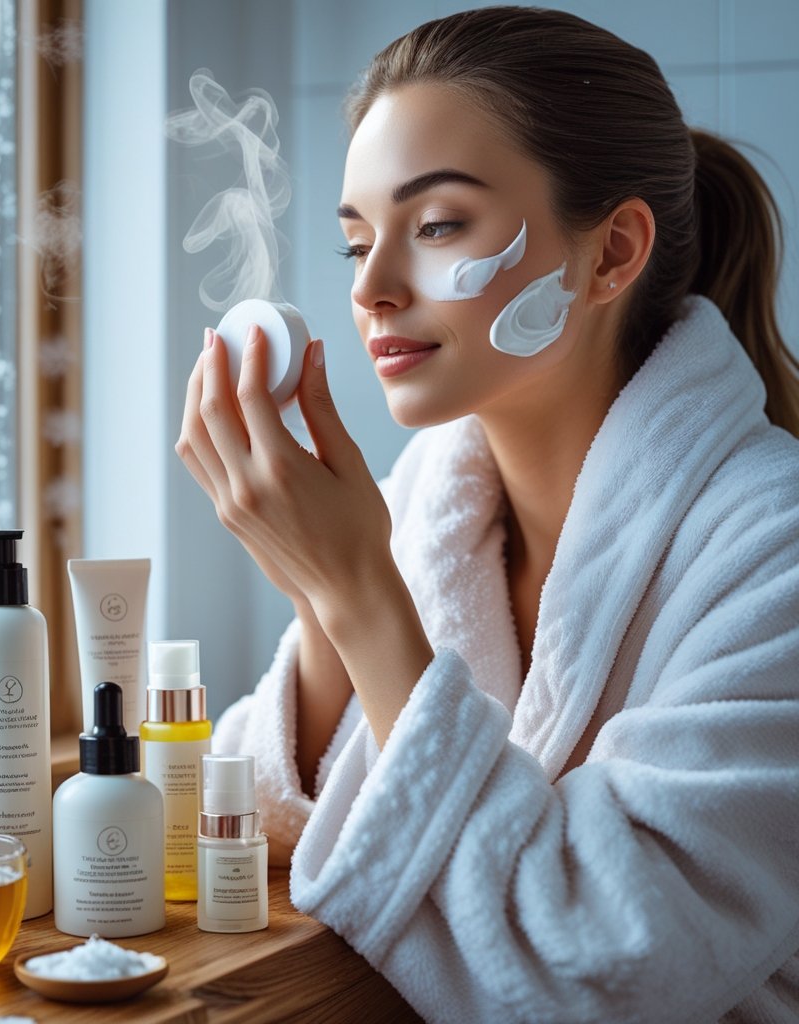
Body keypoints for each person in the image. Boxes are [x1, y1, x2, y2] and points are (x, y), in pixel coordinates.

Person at [176, 7, 799, 1022]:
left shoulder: (773, 547)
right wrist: (323, 594)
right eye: (353, 243)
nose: (372, 288)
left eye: (435, 228)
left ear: (609, 255)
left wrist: (354, 588)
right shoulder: (424, 506)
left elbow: (604, 964)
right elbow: (282, 823)